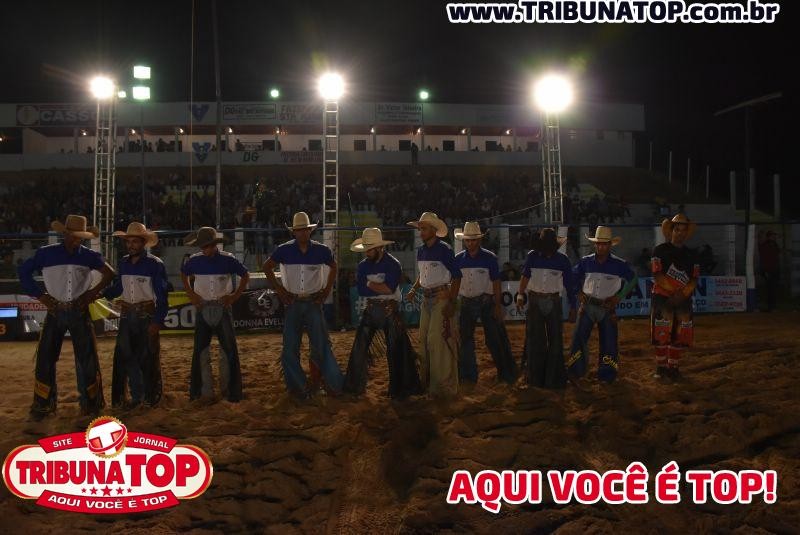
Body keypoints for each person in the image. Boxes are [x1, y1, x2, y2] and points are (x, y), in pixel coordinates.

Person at [18, 215, 115, 420]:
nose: (77, 240)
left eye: (80, 237)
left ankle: (90, 404)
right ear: (65, 234)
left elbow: (110, 273)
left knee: (86, 359)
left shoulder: (87, 255)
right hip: (56, 309)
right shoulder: (46, 253)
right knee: (46, 358)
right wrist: (41, 296)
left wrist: (92, 293)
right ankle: (44, 404)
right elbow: (23, 272)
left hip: (76, 310)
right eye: (73, 236)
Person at [264, 212, 344, 398]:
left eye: (304, 230)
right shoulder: (284, 250)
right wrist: (279, 290)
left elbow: (334, 266)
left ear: (309, 231)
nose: (302, 233)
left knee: (319, 345)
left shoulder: (320, 250)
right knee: (293, 346)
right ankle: (304, 387)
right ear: (295, 232)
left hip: (310, 301)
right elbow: (267, 266)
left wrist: (326, 290)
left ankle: (316, 384)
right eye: (299, 230)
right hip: (294, 301)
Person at [343, 228, 421, 398]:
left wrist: (371, 284)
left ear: (379, 248)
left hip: (386, 310)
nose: (367, 251)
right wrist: (378, 287)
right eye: (366, 248)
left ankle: (398, 390)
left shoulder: (393, 264)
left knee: (394, 351)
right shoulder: (366, 265)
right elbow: (364, 290)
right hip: (378, 309)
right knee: (360, 348)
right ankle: (354, 387)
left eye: (370, 248)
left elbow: (387, 287)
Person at [104, 222, 168, 409]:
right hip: (127, 315)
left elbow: (162, 296)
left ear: (143, 243)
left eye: (135, 242)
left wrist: (157, 321)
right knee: (129, 357)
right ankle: (138, 395)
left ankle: (149, 396)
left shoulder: (155, 265)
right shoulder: (124, 263)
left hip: (145, 315)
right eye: (128, 242)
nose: (131, 245)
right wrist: (103, 293)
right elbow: (119, 287)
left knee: (147, 357)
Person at [182, 226, 249, 402]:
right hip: (204, 306)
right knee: (203, 351)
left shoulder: (228, 260)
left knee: (226, 351)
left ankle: (227, 391)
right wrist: (192, 294)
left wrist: (234, 296)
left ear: (215, 245)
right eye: (203, 247)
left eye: (208, 246)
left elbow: (246, 275)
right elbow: (183, 274)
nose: (206, 250)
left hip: (220, 305)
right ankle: (205, 392)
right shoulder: (195, 261)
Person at [567, 227, 637, 384]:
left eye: (604, 244)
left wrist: (619, 296)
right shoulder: (586, 261)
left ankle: (607, 375)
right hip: (589, 304)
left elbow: (633, 279)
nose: (600, 247)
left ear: (610, 245)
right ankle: (576, 372)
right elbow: (572, 277)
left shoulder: (619, 264)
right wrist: (578, 292)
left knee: (608, 342)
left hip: (606, 307)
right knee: (579, 339)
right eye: (598, 244)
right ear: (595, 245)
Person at [405, 212, 462, 397]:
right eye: (420, 228)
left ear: (434, 230)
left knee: (435, 340)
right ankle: (430, 382)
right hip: (428, 297)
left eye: (424, 228)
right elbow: (423, 275)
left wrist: (451, 299)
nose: (421, 232)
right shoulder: (421, 251)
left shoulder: (444, 249)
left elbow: (457, 275)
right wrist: (414, 288)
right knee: (425, 340)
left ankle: (441, 385)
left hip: (439, 297)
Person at [454, 221, 517, 385]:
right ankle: (469, 376)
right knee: (466, 340)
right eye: (468, 240)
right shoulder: (459, 259)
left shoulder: (489, 258)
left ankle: (505, 374)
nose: (470, 243)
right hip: (468, 302)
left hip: (485, 301)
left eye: (473, 240)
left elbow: (496, 283)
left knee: (493, 339)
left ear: (479, 240)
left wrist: (498, 305)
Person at [516, 228, 576, 389]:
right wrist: (520, 295)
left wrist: (573, 305)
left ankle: (549, 378)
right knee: (537, 340)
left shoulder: (562, 260)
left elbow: (569, 285)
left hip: (551, 300)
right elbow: (525, 276)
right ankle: (539, 378)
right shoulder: (533, 256)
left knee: (554, 340)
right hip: (538, 300)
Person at [651, 214, 699, 380]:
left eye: (683, 230)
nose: (680, 233)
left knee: (679, 333)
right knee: (662, 332)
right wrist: (677, 293)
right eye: (677, 230)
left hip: (679, 298)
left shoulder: (692, 254)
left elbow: (694, 279)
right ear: (671, 231)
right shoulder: (659, 250)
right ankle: (661, 367)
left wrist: (680, 294)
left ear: (687, 233)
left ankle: (673, 367)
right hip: (664, 297)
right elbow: (657, 274)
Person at [758, 231, 780, 312]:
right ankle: (771, 307)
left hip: (774, 269)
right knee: (771, 288)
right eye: (773, 236)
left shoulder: (773, 244)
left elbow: (777, 254)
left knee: (773, 288)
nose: (774, 237)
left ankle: (772, 306)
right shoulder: (765, 245)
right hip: (769, 269)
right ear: (769, 236)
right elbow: (764, 259)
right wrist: (765, 270)